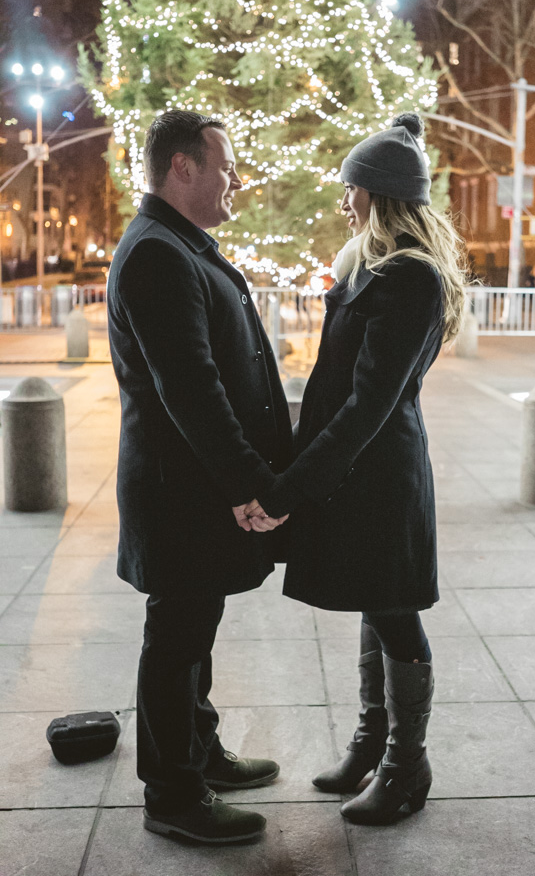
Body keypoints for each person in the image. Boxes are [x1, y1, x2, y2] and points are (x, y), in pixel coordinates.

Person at [245, 113, 468, 825]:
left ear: (380, 193)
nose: (344, 199)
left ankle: (406, 767)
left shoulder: (410, 279)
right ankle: (372, 743)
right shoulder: (372, 267)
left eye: (353, 187)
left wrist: (292, 488)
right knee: (377, 599)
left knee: (395, 611)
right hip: (359, 471)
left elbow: (369, 403)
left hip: (381, 472)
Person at [107, 110, 291, 845]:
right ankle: (173, 794)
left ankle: (199, 751)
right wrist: (249, 483)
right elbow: (192, 389)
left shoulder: (176, 243)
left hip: (191, 489)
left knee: (195, 628)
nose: (235, 180)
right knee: (177, 637)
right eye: (226, 166)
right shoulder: (157, 253)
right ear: (182, 168)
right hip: (178, 492)